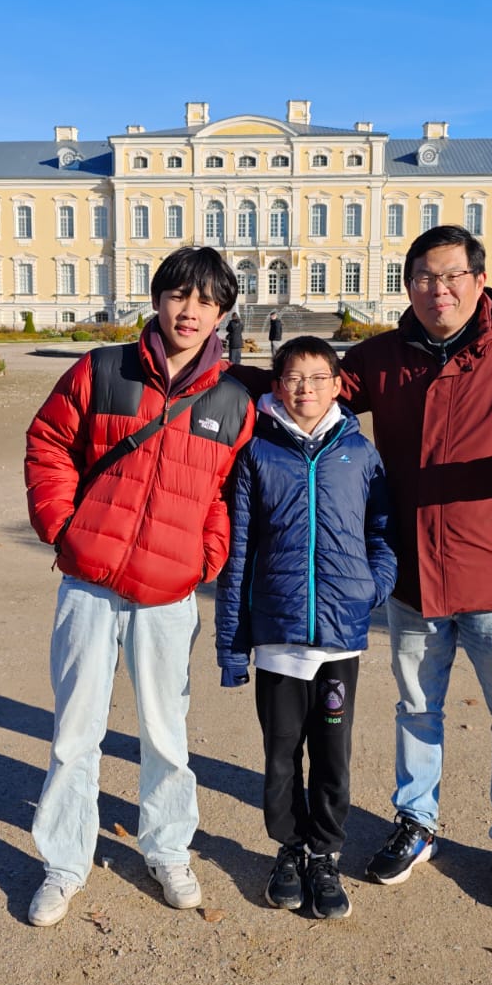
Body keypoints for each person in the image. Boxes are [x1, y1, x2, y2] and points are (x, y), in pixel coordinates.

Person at [339, 224, 492, 911]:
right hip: (414, 572)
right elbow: (311, 387)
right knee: (417, 706)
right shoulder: (385, 357)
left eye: (451, 275)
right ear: (408, 285)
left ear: (480, 282)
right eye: (423, 276)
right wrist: (215, 380)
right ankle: (416, 825)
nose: (437, 288)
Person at [22, 246, 255, 927]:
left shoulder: (233, 398)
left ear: (221, 313)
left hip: (168, 591)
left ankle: (168, 849)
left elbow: (227, 493)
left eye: (207, 301)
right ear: (158, 299)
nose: (191, 311)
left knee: (166, 735)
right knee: (75, 732)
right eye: (180, 295)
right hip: (91, 583)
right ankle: (64, 862)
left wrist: (204, 557)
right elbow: (48, 443)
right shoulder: (102, 369)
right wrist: (63, 527)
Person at [214, 336, 397, 920]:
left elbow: (383, 531)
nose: (305, 389)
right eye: (293, 377)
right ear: (276, 384)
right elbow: (238, 551)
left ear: (339, 385)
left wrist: (373, 587)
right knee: (281, 753)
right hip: (278, 636)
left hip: (340, 636)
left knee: (334, 755)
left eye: (318, 378)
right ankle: (289, 849)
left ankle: (326, 853)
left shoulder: (359, 454)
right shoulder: (257, 454)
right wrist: (231, 645)